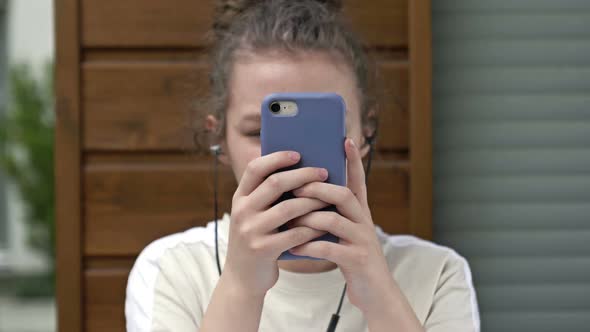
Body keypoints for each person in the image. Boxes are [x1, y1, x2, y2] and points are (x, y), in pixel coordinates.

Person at [125, 1, 480, 331]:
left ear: (366, 133)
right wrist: (239, 287)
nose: (288, 159)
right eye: (258, 131)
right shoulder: (173, 269)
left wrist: (378, 291)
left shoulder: (436, 275)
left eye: (323, 130)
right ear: (218, 138)